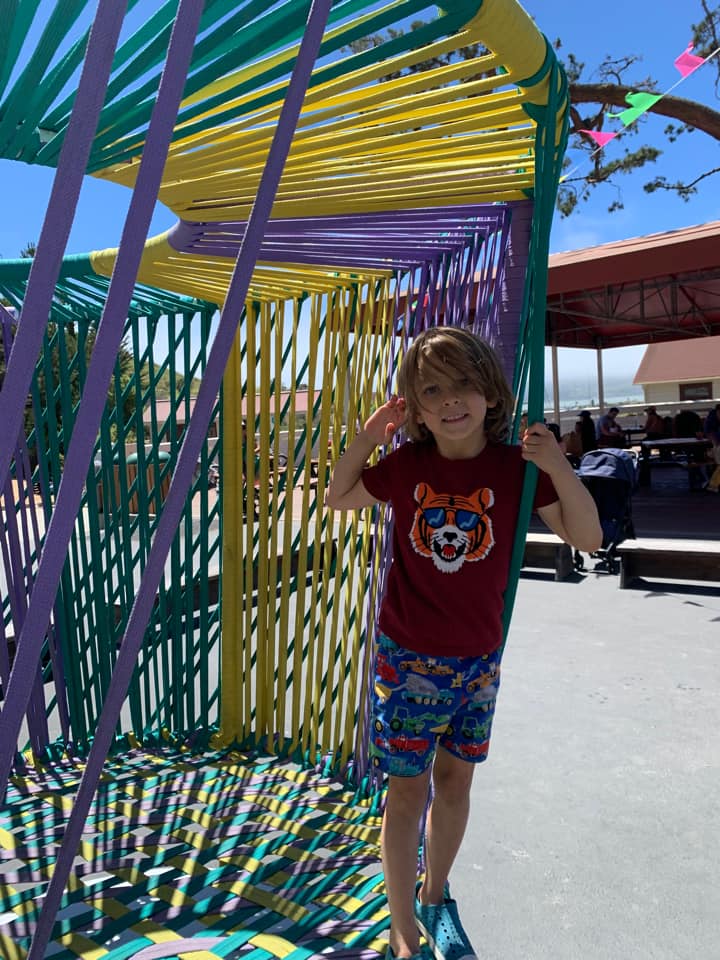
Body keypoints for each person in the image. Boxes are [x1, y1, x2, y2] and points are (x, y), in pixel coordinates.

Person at [326, 328, 601, 960]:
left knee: (455, 783)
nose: (451, 401)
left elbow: (587, 539)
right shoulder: (406, 467)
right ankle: (400, 923)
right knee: (406, 790)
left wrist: (558, 463)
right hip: (406, 659)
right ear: (415, 409)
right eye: (432, 390)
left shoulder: (515, 469)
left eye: (463, 386)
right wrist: (369, 440)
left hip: (478, 661)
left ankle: (434, 893)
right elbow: (339, 496)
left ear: (489, 393)